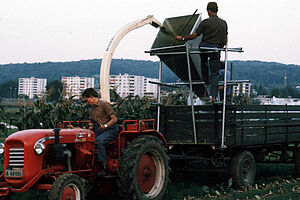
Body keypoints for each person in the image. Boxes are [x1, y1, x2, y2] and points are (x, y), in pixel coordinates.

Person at [176, 2, 228, 102]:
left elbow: (194, 35)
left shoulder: (205, 22)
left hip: (205, 47)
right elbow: (225, 39)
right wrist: (220, 46)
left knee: (203, 64)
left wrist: (182, 38)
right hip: (216, 49)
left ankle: (205, 80)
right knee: (215, 73)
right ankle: (213, 96)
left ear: (209, 11)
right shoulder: (223, 23)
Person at [82, 88, 119, 174]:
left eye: (87, 100)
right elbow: (91, 123)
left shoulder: (105, 105)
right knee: (86, 139)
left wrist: (105, 125)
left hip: (110, 129)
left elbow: (114, 119)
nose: (87, 103)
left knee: (99, 141)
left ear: (91, 97)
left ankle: (104, 166)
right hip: (99, 130)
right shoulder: (92, 109)